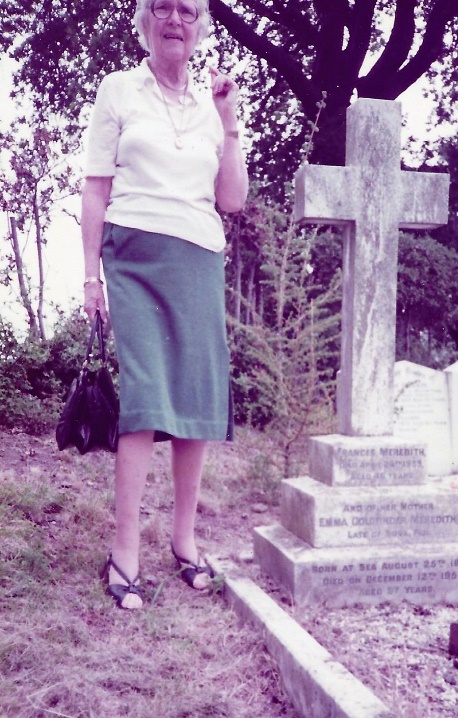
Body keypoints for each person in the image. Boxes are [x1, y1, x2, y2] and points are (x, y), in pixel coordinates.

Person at [81, 0, 248, 609]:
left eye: (187, 10)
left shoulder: (215, 104)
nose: (174, 19)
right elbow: (96, 188)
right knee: (147, 397)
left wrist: (229, 121)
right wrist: (89, 279)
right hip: (134, 257)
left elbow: (230, 199)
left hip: (199, 258)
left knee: (196, 398)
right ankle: (125, 550)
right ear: (144, 22)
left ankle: (184, 540)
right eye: (161, 8)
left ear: (201, 26)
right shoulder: (119, 90)